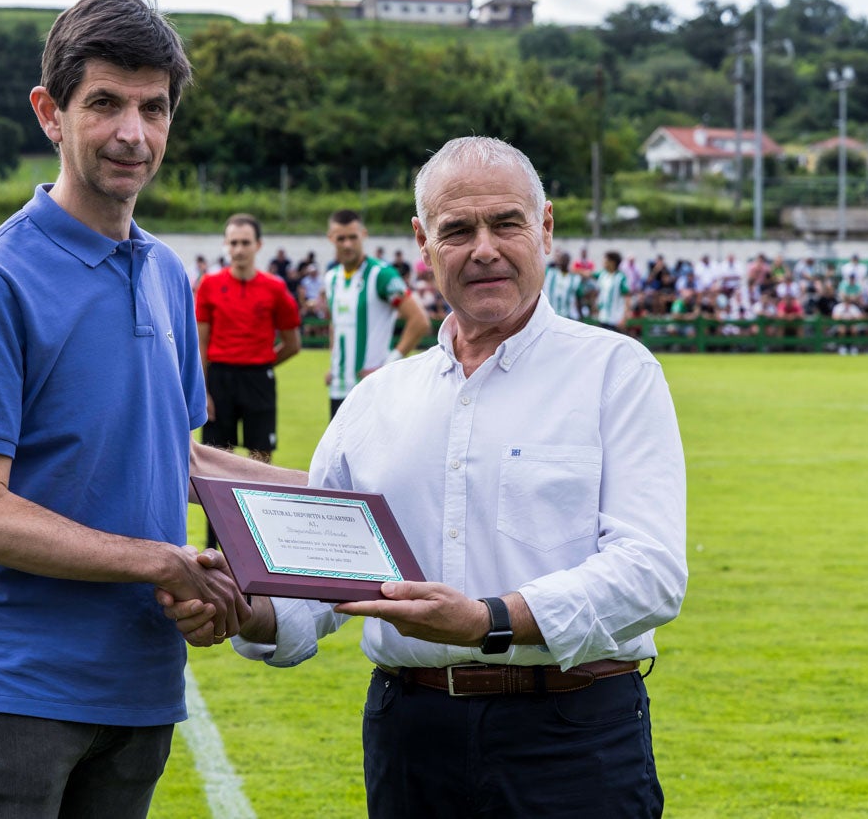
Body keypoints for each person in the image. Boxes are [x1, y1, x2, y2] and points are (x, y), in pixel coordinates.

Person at [163, 136, 687, 817]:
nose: (484, 248)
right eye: (457, 229)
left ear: (546, 228)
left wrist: (486, 621)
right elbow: (318, 580)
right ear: (422, 242)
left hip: (572, 732)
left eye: (506, 223)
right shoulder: (378, 398)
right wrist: (245, 610)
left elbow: (649, 572)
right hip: (410, 732)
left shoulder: (615, 372)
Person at [0, 0, 278, 818]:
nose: (132, 134)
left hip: (140, 683)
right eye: (105, 103)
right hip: (12, 691)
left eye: (153, 108)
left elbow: (175, 456)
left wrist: (335, 500)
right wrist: (163, 561)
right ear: (51, 112)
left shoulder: (166, 275)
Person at [195, 213, 302, 547]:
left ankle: (258, 548)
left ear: (258, 245)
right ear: (226, 245)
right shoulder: (210, 285)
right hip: (220, 380)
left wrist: (264, 362)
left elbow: (293, 343)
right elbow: (201, 344)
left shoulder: (274, 288)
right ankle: (215, 550)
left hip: (258, 380)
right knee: (214, 469)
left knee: (260, 466)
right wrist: (203, 391)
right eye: (233, 242)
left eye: (245, 242)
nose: (239, 249)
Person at [323, 209, 430, 418]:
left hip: (371, 388)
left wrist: (387, 365)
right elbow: (336, 325)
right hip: (337, 388)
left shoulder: (381, 274)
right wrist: (334, 364)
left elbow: (419, 321)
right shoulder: (331, 278)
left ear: (363, 235)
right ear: (331, 239)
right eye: (341, 238)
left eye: (352, 237)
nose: (347, 244)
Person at [595, 250, 632, 330]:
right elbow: (588, 274)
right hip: (603, 317)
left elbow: (628, 298)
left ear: (612, 262)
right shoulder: (603, 274)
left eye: (606, 260)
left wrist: (624, 318)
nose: (603, 262)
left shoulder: (621, 277)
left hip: (615, 320)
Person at [543, 249, 582, 319]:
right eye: (561, 260)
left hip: (567, 316)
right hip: (550, 314)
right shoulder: (550, 273)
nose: (563, 262)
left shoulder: (574, 278)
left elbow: (579, 296)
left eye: (565, 260)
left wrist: (580, 313)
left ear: (568, 261)